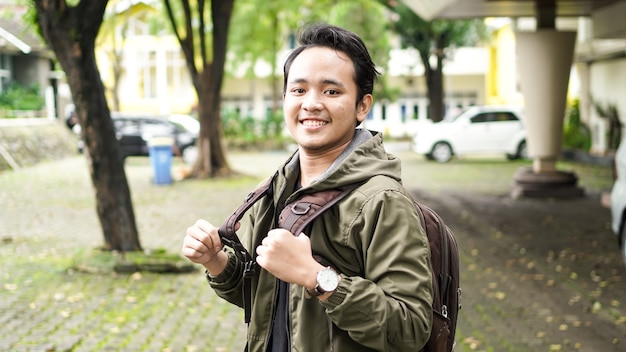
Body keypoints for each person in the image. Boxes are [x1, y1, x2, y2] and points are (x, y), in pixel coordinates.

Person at [182, 23, 433, 351]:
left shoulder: (382, 200)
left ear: (362, 105)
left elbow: (411, 327)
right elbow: (266, 302)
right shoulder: (274, 190)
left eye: (331, 91)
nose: (312, 103)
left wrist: (317, 277)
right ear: (284, 98)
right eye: (299, 90)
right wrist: (215, 260)